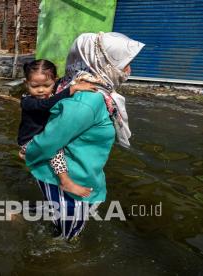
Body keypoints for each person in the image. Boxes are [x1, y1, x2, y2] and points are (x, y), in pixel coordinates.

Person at [25, 32, 144, 240]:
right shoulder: (88, 101)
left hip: (83, 175)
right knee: (67, 239)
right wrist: (28, 154)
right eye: (125, 64)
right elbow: (48, 143)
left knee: (63, 222)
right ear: (102, 62)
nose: (129, 70)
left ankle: (23, 215)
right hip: (70, 181)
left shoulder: (88, 90)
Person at [18, 59, 98, 198]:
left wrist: (78, 81)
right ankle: (65, 181)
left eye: (46, 85)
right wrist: (72, 89)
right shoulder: (27, 101)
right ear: (26, 84)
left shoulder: (51, 92)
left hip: (41, 137)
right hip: (29, 140)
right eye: (35, 86)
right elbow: (46, 105)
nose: (41, 90)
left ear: (54, 82)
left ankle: (28, 155)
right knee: (56, 151)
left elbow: (62, 86)